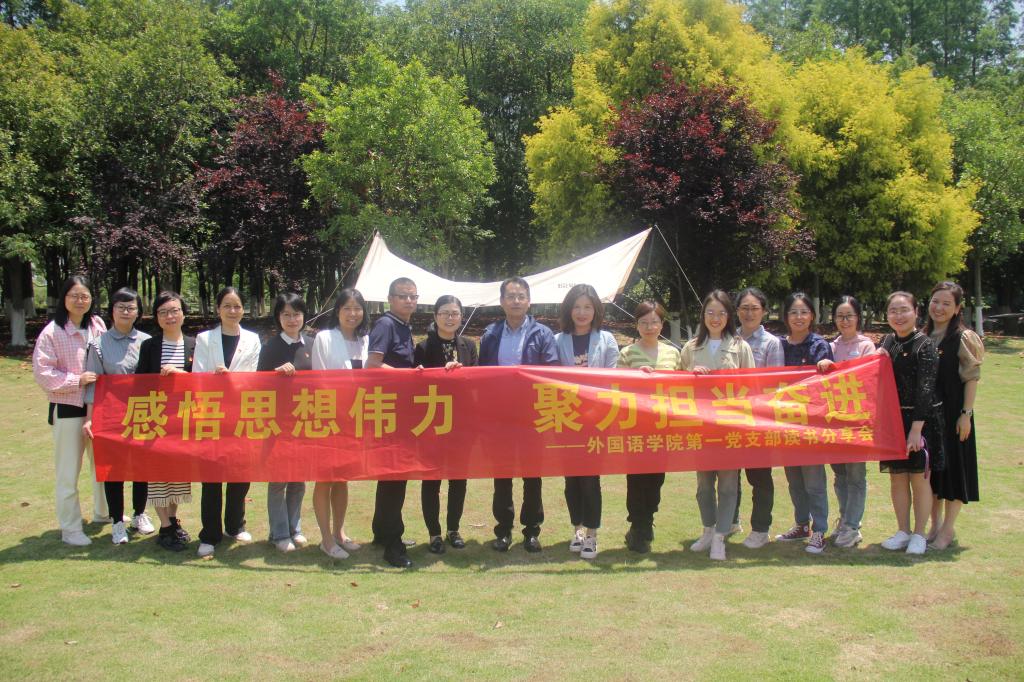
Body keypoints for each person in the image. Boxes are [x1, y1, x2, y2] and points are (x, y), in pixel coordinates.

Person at [479, 276, 559, 553]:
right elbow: (481, 375)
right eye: (510, 296)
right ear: (501, 302)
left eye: (520, 296)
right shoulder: (490, 334)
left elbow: (552, 372)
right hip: (499, 417)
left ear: (529, 301)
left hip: (533, 417)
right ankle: (503, 531)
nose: (516, 301)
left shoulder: (543, 334)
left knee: (532, 476)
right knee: (501, 476)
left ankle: (532, 531)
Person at [32, 275, 108, 546]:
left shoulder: (97, 325)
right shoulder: (52, 332)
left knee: (102, 465)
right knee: (68, 471)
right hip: (68, 408)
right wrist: (78, 380)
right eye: (74, 295)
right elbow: (43, 374)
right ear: (64, 299)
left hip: (98, 407)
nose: (80, 301)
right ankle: (71, 528)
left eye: (84, 295)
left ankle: (103, 512)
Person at [679, 290, 754, 561]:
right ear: (703, 315)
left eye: (721, 313)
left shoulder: (740, 347)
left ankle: (721, 537)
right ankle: (708, 530)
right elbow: (675, 386)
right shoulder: (690, 348)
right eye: (710, 312)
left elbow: (751, 387)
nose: (715, 318)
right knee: (703, 485)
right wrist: (690, 376)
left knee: (728, 485)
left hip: (729, 428)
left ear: (729, 316)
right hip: (700, 428)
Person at [193, 287, 262, 558]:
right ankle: (209, 534)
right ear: (218, 309)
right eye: (227, 306)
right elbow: (197, 376)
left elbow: (253, 377)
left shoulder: (253, 339)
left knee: (240, 474)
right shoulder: (204, 339)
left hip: (242, 414)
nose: (232, 311)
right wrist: (214, 378)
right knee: (211, 477)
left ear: (243, 309)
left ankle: (235, 525)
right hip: (212, 415)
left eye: (237, 306)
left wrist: (230, 380)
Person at [82, 287, 154, 544]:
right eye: (120, 307)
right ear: (111, 311)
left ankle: (140, 514)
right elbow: (93, 384)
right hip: (111, 415)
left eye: (131, 307)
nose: (126, 311)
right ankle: (117, 522)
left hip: (144, 413)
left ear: (138, 312)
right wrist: (90, 417)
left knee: (142, 467)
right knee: (114, 470)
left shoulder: (147, 341)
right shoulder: (98, 344)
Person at [554, 284, 619, 560]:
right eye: (577, 307)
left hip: (596, 421)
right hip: (567, 419)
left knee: (591, 480)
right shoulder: (557, 340)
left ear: (596, 310)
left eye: (587, 307)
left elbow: (614, 378)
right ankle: (577, 529)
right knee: (571, 480)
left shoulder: (607, 339)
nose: (582, 312)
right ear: (569, 310)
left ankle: (592, 533)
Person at [877, 291, 944, 555]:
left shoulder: (925, 345)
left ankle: (919, 534)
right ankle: (902, 531)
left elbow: (925, 389)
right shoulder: (886, 342)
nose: (899, 316)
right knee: (897, 478)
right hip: (892, 420)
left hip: (921, 421)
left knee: (919, 479)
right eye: (893, 311)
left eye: (904, 310)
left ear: (916, 312)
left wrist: (916, 430)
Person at [414, 295, 478, 554]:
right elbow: (416, 385)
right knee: (431, 479)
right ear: (435, 316)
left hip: (462, 423)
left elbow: (477, 382)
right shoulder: (423, 347)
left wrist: (462, 373)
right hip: (431, 423)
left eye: (455, 313)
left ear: (461, 316)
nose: (450, 318)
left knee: (458, 479)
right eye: (444, 313)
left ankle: (453, 529)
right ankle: (434, 533)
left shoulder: (469, 346)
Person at [617, 300, 681, 553]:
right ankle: (638, 526)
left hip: (663, 427)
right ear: (637, 325)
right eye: (644, 322)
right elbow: (616, 385)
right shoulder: (627, 353)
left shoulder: (673, 353)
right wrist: (635, 376)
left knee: (656, 479)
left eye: (654, 322)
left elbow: (683, 386)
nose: (649, 327)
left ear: (662, 324)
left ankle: (647, 519)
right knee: (636, 478)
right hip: (635, 426)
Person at [311, 288, 369, 560]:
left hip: (355, 420)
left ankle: (339, 533)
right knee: (325, 480)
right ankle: (325, 539)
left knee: (343, 479)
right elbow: (317, 379)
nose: (353, 313)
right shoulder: (324, 338)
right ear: (337, 311)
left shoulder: (365, 340)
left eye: (357, 308)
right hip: (329, 419)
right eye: (347, 308)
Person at [135, 291, 195, 551]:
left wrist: (181, 374)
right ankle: (166, 526)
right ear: (157, 317)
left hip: (184, 419)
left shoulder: (194, 344)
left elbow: (202, 380)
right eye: (163, 312)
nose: (170, 316)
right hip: (156, 418)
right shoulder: (149, 346)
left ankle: (173, 519)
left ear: (183, 313)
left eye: (174, 310)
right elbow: (139, 383)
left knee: (178, 475)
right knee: (158, 475)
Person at [366, 277, 420, 568]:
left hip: (399, 411)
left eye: (413, 296)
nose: (409, 301)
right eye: (403, 296)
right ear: (390, 298)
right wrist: (408, 376)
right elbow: (373, 365)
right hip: (388, 411)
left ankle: (381, 532)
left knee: (391, 477)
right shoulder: (386, 324)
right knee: (394, 477)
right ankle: (393, 544)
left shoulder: (403, 325)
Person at [774, 292, 834, 554]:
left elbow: (829, 384)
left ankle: (819, 529)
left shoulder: (819, 346)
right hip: (785, 422)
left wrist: (827, 365)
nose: (798, 317)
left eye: (804, 312)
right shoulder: (779, 345)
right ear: (786, 316)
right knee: (794, 479)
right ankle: (801, 524)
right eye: (793, 312)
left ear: (812, 316)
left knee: (813, 481)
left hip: (811, 424)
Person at [924, 281, 981, 550]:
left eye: (947, 303)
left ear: (958, 308)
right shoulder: (923, 336)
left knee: (955, 470)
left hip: (954, 414)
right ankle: (934, 525)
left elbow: (971, 378)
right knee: (933, 473)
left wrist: (965, 414)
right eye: (935, 301)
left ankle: (947, 530)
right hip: (928, 416)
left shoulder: (964, 337)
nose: (939, 308)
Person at [816, 296, 876, 549]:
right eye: (840, 316)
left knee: (856, 475)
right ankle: (844, 519)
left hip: (857, 422)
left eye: (849, 315)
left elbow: (868, 377)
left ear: (858, 318)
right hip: (834, 421)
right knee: (840, 474)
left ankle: (852, 526)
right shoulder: (830, 346)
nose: (844, 320)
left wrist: (839, 369)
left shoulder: (866, 346)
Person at [257, 292, 313, 553]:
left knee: (298, 480)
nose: (292, 319)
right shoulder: (270, 347)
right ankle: (279, 533)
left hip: (304, 421)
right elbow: (258, 385)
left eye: (297, 314)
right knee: (279, 480)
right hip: (277, 423)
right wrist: (275, 375)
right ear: (278, 317)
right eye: (286, 314)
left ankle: (295, 528)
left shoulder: (311, 344)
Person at [732, 286, 783, 549]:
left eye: (754, 308)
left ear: (763, 311)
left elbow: (774, 386)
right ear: (737, 311)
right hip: (729, 419)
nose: (749, 313)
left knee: (759, 477)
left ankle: (761, 529)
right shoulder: (729, 340)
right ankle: (730, 521)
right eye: (744, 308)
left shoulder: (771, 343)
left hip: (758, 421)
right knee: (730, 475)